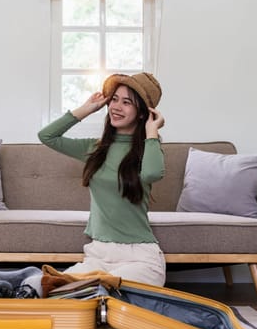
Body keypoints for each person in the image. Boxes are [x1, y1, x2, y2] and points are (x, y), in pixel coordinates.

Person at [38, 72, 166, 286]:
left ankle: (98, 287)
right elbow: (47, 136)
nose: (116, 107)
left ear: (143, 113)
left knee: (102, 290)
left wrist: (151, 131)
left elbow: (151, 174)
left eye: (126, 102)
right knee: (58, 289)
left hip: (140, 258)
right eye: (114, 99)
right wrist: (87, 109)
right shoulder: (95, 149)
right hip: (98, 255)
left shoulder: (149, 149)